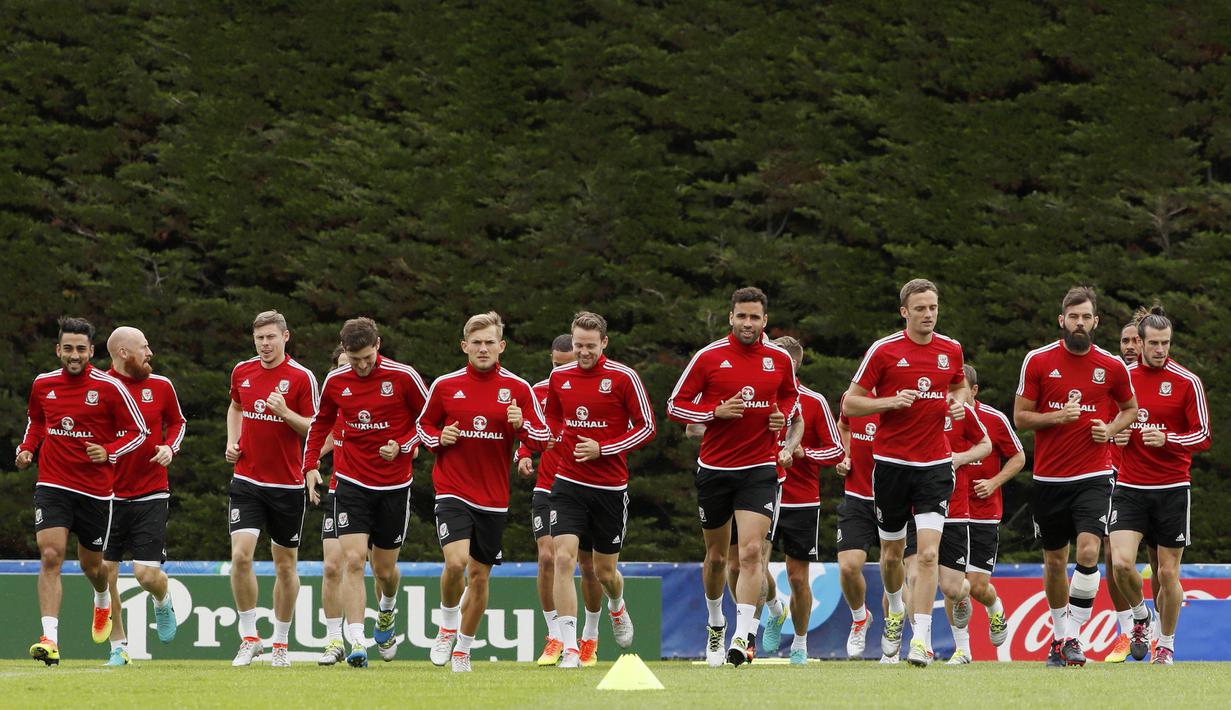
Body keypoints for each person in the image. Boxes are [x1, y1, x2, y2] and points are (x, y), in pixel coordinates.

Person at [666, 287, 798, 667]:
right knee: (717, 558)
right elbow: (675, 405)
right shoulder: (709, 357)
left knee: (753, 551)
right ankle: (715, 625)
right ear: (731, 318)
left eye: (755, 317)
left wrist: (782, 417)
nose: (748, 323)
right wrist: (713, 412)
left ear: (765, 321)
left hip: (759, 469)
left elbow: (790, 398)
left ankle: (742, 637)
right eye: (742, 316)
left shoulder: (779, 359)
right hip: (715, 471)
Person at [842, 278, 970, 667]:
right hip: (892, 467)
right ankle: (895, 611)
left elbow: (960, 385)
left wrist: (956, 402)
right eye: (920, 308)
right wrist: (889, 402)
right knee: (892, 556)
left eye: (933, 307)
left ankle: (922, 642)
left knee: (928, 555)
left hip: (934, 466)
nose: (928, 314)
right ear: (904, 312)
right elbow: (850, 404)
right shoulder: (883, 351)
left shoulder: (951, 349)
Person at [417, 312, 549, 672]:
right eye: (476, 342)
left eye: (490, 342)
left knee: (479, 576)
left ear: (501, 346)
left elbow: (544, 437)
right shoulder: (445, 385)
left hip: (493, 497)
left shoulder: (519, 389)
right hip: (452, 489)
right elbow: (424, 426)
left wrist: (522, 427)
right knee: (456, 562)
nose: (483, 348)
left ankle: (463, 648)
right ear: (464, 346)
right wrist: (437, 439)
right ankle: (446, 626)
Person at [1014, 286, 1137, 668]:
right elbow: (1021, 417)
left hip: (1095, 474)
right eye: (1073, 317)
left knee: (1088, 552)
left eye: (1086, 317)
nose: (1079, 323)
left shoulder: (1112, 366)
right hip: (1050, 478)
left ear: (1096, 322)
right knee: (1054, 562)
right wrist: (1056, 418)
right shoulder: (1038, 361)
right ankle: (1061, 637)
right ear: (1061, 320)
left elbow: (1130, 408)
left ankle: (1074, 637)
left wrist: (1112, 427)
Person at [20, 317, 149, 666]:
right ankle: (50, 639)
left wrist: (109, 451)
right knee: (51, 556)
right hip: (52, 485)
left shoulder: (109, 387)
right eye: (67, 348)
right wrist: (28, 447)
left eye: (80, 349)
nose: (73, 355)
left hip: (95, 492)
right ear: (57, 350)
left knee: (94, 568)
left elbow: (137, 432)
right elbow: (37, 420)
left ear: (91, 351)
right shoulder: (43, 384)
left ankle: (103, 599)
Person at [303, 317, 429, 668]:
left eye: (367, 358)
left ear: (378, 345)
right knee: (353, 561)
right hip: (350, 482)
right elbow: (320, 424)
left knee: (385, 570)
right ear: (344, 352)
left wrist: (402, 445)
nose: (361, 365)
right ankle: (357, 640)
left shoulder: (403, 376)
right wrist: (310, 465)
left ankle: (386, 613)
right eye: (354, 358)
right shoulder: (336, 380)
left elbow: (430, 421)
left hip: (393, 485)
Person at [546, 311, 656, 668]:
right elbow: (553, 418)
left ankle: (616, 606)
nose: (583, 352)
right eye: (578, 345)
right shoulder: (559, 376)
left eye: (590, 346)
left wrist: (603, 448)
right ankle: (571, 648)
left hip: (609, 486)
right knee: (564, 558)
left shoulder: (624, 377)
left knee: (602, 572)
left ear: (604, 343)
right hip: (567, 483)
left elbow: (647, 427)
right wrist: (554, 438)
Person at [1108, 306, 1209, 665]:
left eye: (1165, 343)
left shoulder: (1187, 381)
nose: (1160, 350)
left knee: (1167, 573)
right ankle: (1140, 617)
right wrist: (1113, 437)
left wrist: (1167, 439)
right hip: (1131, 486)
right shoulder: (1122, 378)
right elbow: (1105, 424)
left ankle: (1165, 644)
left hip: (1171, 488)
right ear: (1140, 341)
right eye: (1153, 343)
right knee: (1120, 564)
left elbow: (1203, 435)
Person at [226, 310, 320, 668]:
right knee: (241, 556)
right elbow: (235, 407)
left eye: (270, 337)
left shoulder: (301, 377)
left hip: (287, 485)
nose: (264, 344)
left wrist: (285, 413)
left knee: (284, 566)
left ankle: (280, 643)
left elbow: (315, 429)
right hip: (247, 479)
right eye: (259, 338)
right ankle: (250, 637)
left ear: (285, 337)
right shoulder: (242, 371)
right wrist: (232, 441)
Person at [515, 335, 605, 667]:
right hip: (549, 486)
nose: (561, 370)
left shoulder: (598, 388)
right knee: (548, 557)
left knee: (589, 565)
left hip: (589, 486)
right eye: (556, 364)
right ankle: (555, 635)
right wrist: (523, 455)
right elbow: (530, 430)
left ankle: (590, 637)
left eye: (567, 363)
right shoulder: (539, 391)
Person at [101, 326, 187, 665]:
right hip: (107, 494)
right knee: (105, 572)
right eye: (144, 346)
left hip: (152, 491)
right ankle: (118, 648)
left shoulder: (161, 386)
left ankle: (162, 600)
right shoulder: (100, 388)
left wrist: (169, 447)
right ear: (123, 352)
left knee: (145, 575)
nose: (150, 352)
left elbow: (178, 423)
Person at [771, 337, 844, 664]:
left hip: (801, 500)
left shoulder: (813, 402)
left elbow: (836, 450)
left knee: (797, 577)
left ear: (794, 364)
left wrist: (804, 452)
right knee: (750, 565)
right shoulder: (756, 395)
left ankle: (800, 643)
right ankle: (773, 610)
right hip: (760, 495)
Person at [1105, 318, 1161, 663]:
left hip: (1155, 483)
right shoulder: (1109, 378)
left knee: (1160, 563)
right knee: (1113, 558)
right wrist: (1114, 432)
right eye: (1123, 341)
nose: (1127, 346)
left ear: (1144, 343)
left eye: (1132, 341)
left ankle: (1162, 635)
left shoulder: (1159, 382)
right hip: (1112, 477)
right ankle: (1127, 630)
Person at [962, 364, 1024, 652]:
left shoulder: (993, 419)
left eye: (959, 387)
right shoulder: (941, 417)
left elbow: (1018, 457)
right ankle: (962, 650)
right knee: (953, 586)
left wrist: (994, 482)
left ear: (974, 390)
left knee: (975, 587)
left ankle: (995, 607)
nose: (952, 394)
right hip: (949, 511)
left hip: (984, 514)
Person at [835, 395, 887, 661]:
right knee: (848, 566)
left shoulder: (904, 397)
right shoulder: (852, 398)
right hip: (856, 497)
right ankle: (860, 618)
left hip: (895, 499)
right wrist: (846, 455)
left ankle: (894, 630)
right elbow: (843, 426)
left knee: (895, 570)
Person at [314, 345, 350, 666]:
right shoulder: (334, 403)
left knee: (378, 570)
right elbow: (323, 441)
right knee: (331, 566)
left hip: (377, 493)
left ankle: (382, 616)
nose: (345, 370)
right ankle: (334, 641)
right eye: (339, 365)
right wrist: (308, 467)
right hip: (339, 491)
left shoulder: (382, 399)